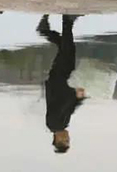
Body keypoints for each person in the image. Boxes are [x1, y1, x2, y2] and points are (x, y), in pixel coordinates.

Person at [37, 14, 87, 153]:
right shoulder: (62, 124)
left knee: (68, 50)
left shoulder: (54, 124)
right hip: (62, 82)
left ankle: (67, 20)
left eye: (65, 140)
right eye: (68, 140)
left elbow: (62, 103)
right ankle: (45, 31)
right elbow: (70, 107)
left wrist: (75, 95)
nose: (67, 137)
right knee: (65, 48)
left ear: (57, 139)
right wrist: (80, 99)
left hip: (59, 81)